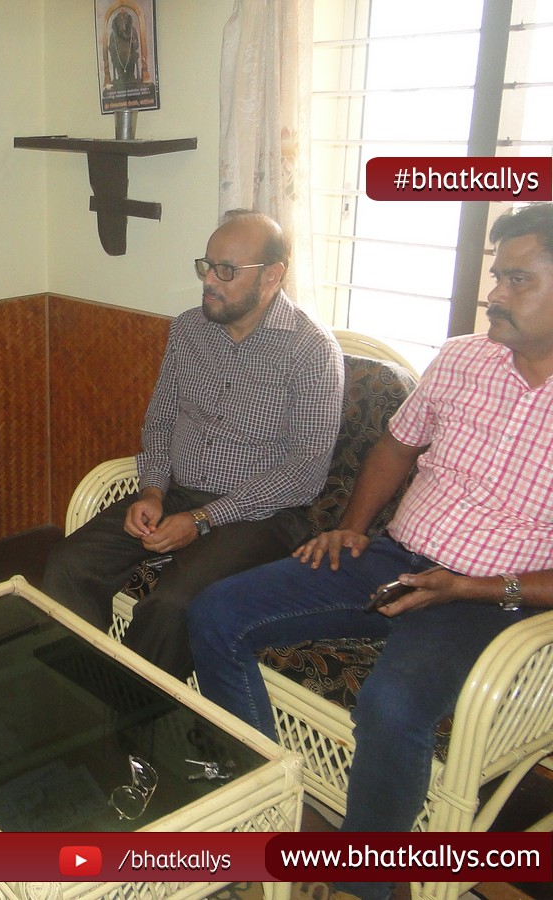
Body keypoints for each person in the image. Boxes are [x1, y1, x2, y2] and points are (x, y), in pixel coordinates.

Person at [188, 203, 553, 900]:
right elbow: (396, 444)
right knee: (215, 612)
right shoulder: (463, 358)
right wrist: (354, 526)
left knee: (392, 706)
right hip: (394, 557)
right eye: (495, 276)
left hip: (491, 601)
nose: (494, 294)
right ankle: (274, 813)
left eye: (516, 280)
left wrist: (468, 589)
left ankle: (364, 886)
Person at [42, 210, 344, 680]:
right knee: (68, 564)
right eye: (206, 266)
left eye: (226, 271)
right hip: (177, 493)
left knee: (175, 604)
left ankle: (130, 710)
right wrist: (152, 491)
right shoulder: (188, 329)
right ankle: (81, 690)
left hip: (259, 516)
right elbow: (161, 420)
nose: (209, 281)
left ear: (271, 276)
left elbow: (304, 473)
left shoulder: (311, 351)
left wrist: (203, 520)